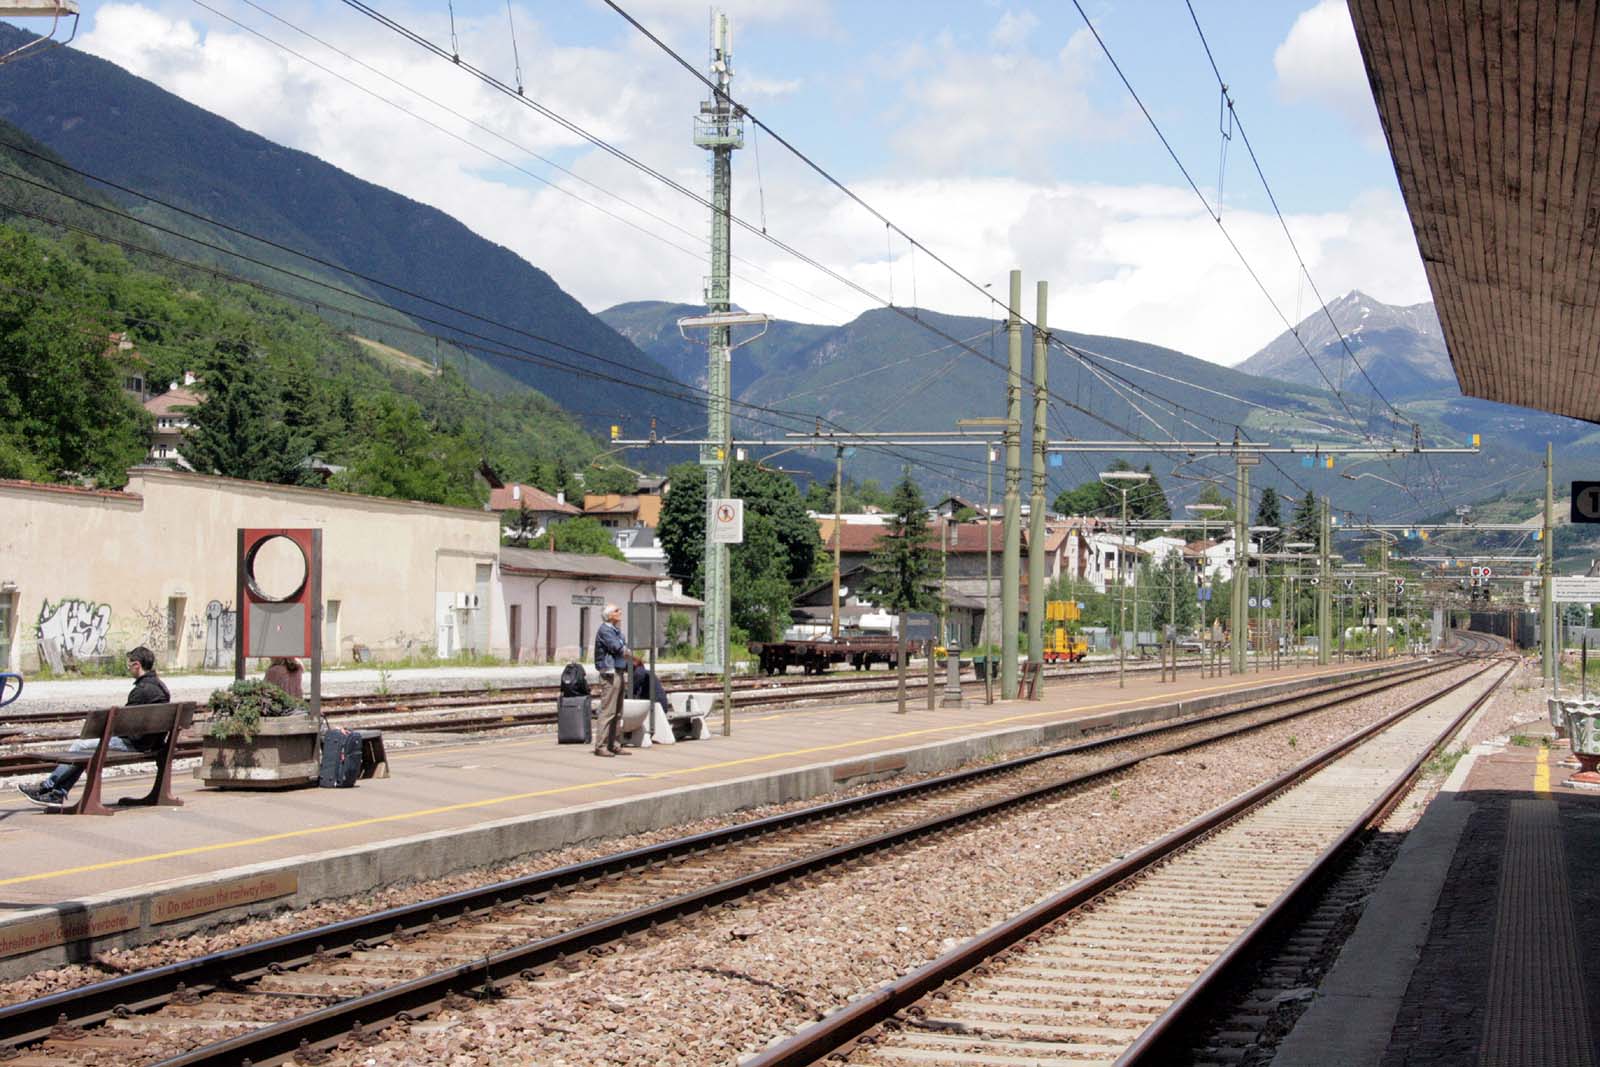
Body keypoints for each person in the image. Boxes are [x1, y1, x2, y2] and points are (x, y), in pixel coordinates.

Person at [18, 645, 172, 807]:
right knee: (86, 749)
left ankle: (48, 787)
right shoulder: (162, 688)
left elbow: (122, 726)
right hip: (154, 744)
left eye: (129, 664)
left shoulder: (140, 691)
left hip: (136, 744)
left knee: (80, 746)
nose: (128, 668)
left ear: (137, 665)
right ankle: (56, 792)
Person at [592, 604, 632, 757]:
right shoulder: (605, 630)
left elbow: (623, 647)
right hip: (610, 673)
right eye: (616, 610)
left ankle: (614, 744)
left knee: (618, 712)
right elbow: (618, 648)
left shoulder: (616, 630)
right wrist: (626, 651)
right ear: (609, 615)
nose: (620, 612)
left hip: (619, 671)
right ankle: (600, 746)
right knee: (608, 711)